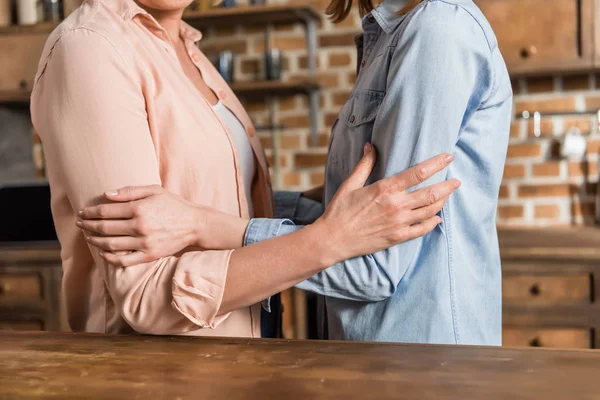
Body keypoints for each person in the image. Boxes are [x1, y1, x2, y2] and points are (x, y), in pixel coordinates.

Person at [78, 0, 512, 345]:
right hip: (378, 360)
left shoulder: (437, 29)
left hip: (423, 369)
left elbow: (373, 265)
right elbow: (349, 216)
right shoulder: (389, 35)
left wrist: (203, 224)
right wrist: (202, 209)